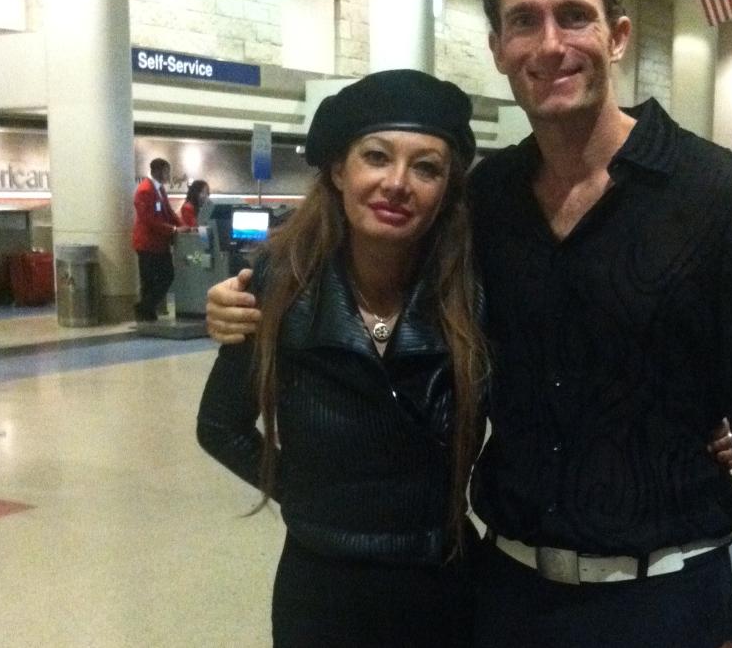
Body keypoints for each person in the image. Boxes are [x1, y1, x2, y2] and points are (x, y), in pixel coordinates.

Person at [204, 0, 732, 647]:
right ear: (498, 47)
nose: (550, 44)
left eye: (574, 16)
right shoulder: (484, 204)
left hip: (664, 602)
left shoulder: (718, 198)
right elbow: (372, 252)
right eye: (524, 21)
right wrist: (246, 300)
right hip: (505, 598)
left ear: (617, 35)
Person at [196, 69, 489, 648]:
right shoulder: (279, 285)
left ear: (447, 187)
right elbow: (219, 426)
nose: (397, 184)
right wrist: (311, 497)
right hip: (322, 589)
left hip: (442, 583)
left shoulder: (474, 293)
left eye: (426, 167)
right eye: (376, 157)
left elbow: (550, 399)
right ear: (338, 169)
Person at [132, 157, 186, 322]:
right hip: (147, 244)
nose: (168, 175)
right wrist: (174, 229)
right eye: (166, 172)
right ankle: (144, 309)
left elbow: (168, 212)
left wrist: (183, 225)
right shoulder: (144, 191)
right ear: (156, 171)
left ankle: (146, 309)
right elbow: (149, 220)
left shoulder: (160, 189)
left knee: (165, 276)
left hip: (159, 244)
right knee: (152, 279)